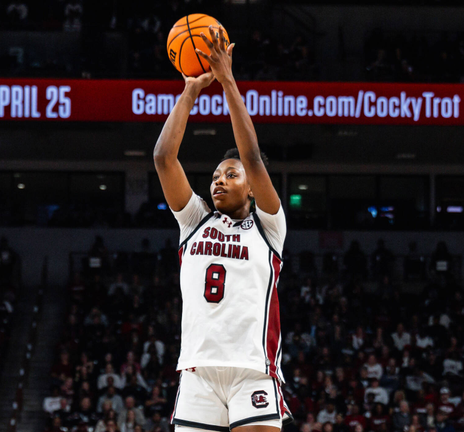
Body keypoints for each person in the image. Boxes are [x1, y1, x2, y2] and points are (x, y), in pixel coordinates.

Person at [153, 25, 290, 431]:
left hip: (252, 370)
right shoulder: (195, 221)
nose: (218, 180)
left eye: (230, 174)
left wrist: (227, 80)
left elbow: (250, 154)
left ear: (250, 183)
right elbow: (163, 158)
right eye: (215, 175)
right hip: (198, 374)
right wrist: (190, 92)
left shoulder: (268, 226)